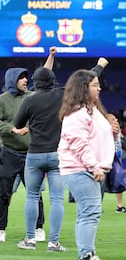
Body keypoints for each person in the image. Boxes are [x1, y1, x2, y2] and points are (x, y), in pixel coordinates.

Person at [15, 51, 108, 252]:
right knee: (57, 198)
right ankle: (53, 243)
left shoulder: (29, 99)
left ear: (35, 83)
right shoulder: (62, 95)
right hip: (57, 154)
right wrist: (100, 65)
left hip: (34, 154)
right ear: (53, 81)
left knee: (32, 196)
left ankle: (30, 240)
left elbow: (17, 123)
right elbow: (85, 79)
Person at [0, 50, 57, 243]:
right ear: (12, 80)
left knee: (36, 194)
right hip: (9, 154)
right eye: (22, 78)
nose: (26, 81)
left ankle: (39, 228)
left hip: (31, 155)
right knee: (4, 193)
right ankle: (1, 229)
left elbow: (45, 76)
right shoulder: (0, 100)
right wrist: (14, 130)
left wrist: (51, 57)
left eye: (27, 78)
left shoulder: (32, 96)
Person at [58, 69, 118, 260]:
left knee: (87, 212)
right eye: (95, 85)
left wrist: (114, 132)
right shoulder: (77, 113)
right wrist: (94, 166)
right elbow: (79, 142)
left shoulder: (92, 111)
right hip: (81, 169)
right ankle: (86, 254)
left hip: (88, 168)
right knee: (90, 212)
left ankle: (87, 252)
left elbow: (98, 139)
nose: (99, 88)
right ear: (83, 88)